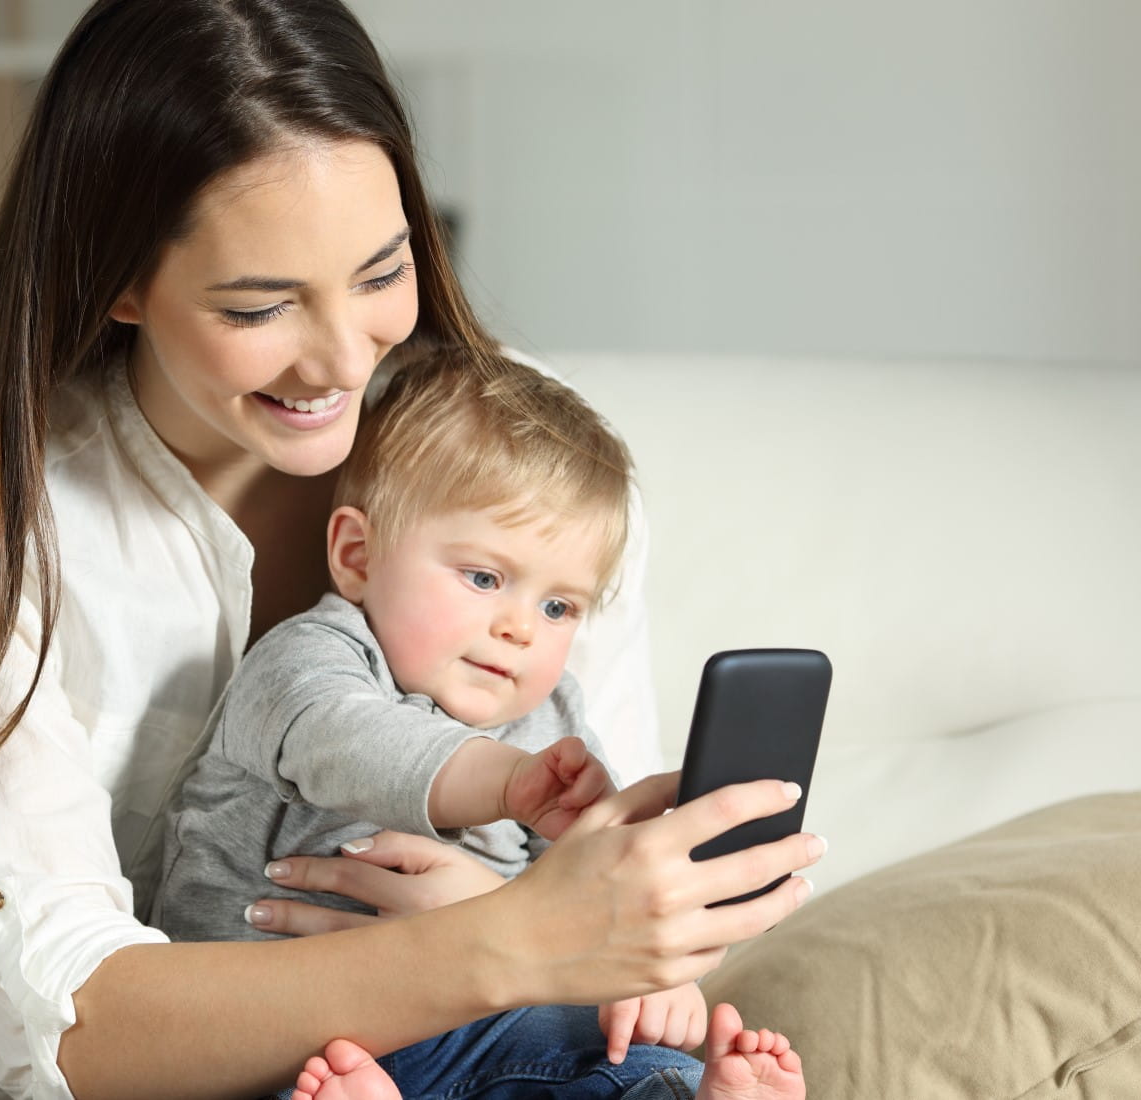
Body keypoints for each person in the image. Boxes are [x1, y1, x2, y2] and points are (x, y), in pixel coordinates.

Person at [0, 1, 825, 1097]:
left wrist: (631, 918)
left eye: (383, 274)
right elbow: (78, 1026)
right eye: (261, 306)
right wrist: (497, 944)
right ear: (118, 280)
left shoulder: (528, 474)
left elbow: (591, 893)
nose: (342, 358)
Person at [152, 350, 807, 1100]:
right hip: (277, 1018)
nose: (521, 629)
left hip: (478, 1029)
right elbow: (350, 746)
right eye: (485, 578)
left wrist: (652, 973)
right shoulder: (310, 660)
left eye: (558, 607)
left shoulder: (553, 712)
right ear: (357, 556)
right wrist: (507, 780)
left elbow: (598, 882)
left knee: (627, 1059)